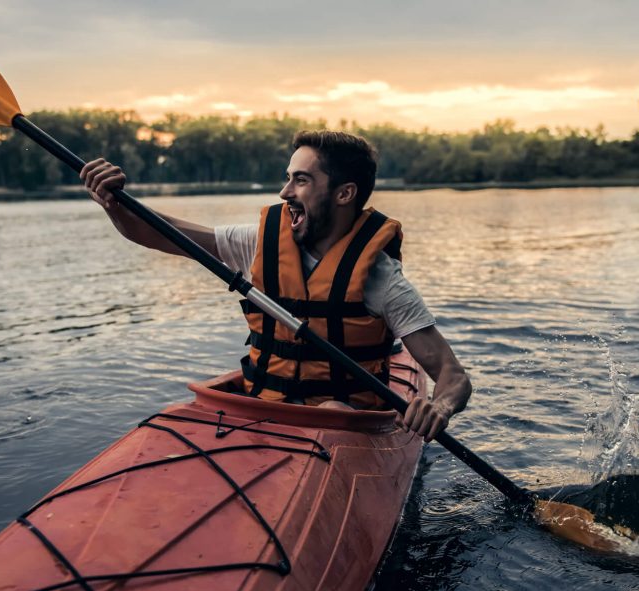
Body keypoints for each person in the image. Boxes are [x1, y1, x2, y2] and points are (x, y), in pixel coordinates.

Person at [80, 130, 470, 441]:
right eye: (288, 179)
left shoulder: (382, 280)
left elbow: (453, 376)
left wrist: (438, 408)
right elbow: (164, 234)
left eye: (301, 180)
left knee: (332, 411)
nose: (285, 193)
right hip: (263, 408)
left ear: (344, 193)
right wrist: (115, 204)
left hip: (344, 423)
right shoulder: (258, 242)